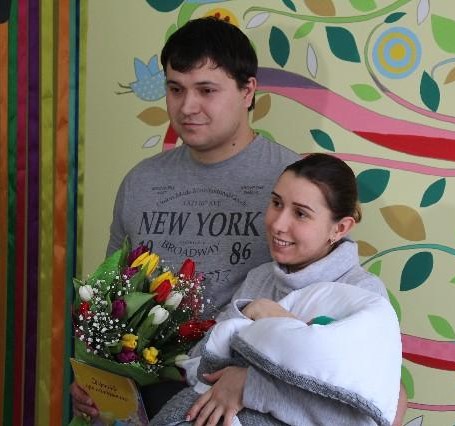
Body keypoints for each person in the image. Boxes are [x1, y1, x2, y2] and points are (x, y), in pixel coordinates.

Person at [71, 17, 299, 420]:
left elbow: (321, 309)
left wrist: (253, 380)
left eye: (206, 90)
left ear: (248, 91)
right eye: (175, 89)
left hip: (238, 398)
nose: (187, 107)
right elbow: (110, 300)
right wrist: (96, 379)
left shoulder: (292, 184)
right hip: (144, 396)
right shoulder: (141, 182)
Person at [151, 153, 407, 426]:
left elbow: (360, 408)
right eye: (276, 203)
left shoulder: (363, 295)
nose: (277, 224)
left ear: (340, 228)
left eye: (300, 213)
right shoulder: (260, 278)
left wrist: (251, 386)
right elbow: (204, 360)